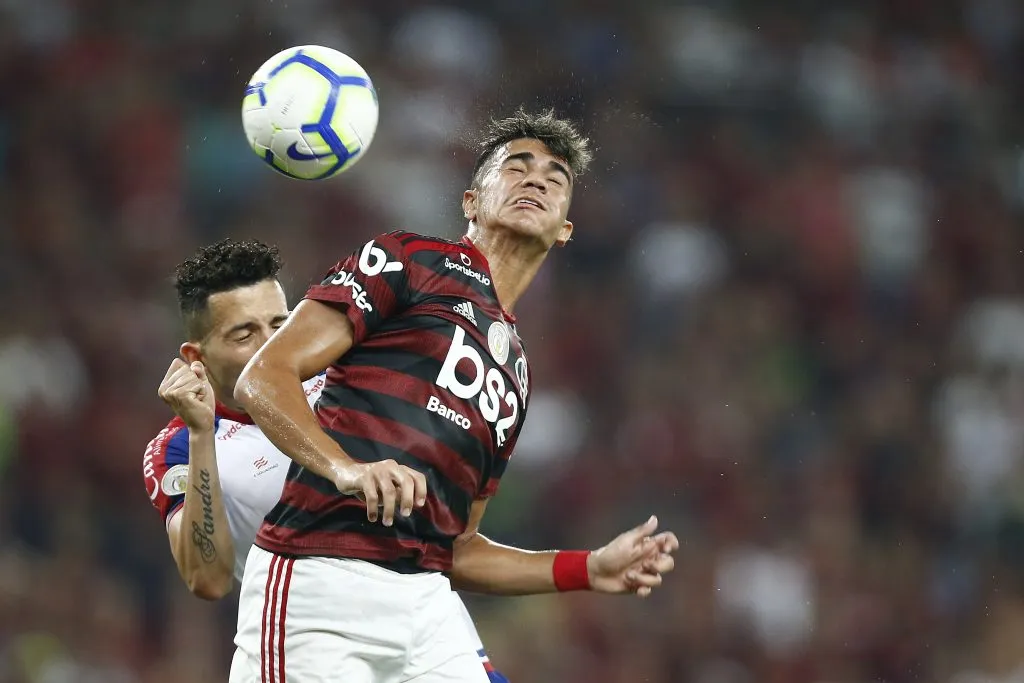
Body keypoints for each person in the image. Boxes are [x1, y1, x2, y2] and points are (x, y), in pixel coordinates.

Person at [231, 108, 680, 683]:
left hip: (425, 604)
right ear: (471, 202)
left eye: (555, 176)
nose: (536, 179)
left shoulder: (515, 372)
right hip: (322, 577)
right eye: (516, 167)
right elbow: (264, 376)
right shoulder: (410, 261)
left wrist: (587, 568)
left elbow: (458, 548)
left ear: (565, 228)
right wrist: (344, 470)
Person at [142, 239, 507, 681]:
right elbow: (208, 579)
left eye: (280, 323)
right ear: (195, 357)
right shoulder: (179, 447)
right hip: (310, 636)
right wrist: (201, 432)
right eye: (243, 334)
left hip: (419, 616)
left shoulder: (342, 375)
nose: (268, 344)